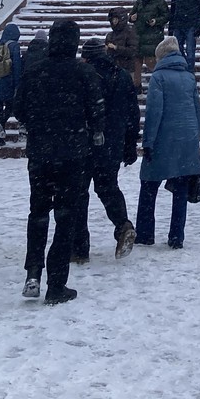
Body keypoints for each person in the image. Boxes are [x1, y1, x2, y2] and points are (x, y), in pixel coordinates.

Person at [13, 19, 104, 305]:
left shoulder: (35, 72)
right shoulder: (83, 72)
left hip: (40, 154)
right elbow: (97, 111)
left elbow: (20, 109)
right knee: (65, 216)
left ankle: (33, 272)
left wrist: (42, 125)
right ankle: (56, 283)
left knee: (38, 214)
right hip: (72, 154)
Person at [73, 39, 139, 262]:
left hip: (85, 142)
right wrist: (130, 145)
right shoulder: (121, 75)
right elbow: (133, 114)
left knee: (79, 193)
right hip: (112, 143)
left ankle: (80, 248)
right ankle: (123, 225)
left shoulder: (83, 75)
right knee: (108, 188)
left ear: (86, 56)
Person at [137, 37, 200, 248]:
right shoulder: (189, 77)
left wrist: (148, 142)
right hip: (187, 140)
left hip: (163, 139)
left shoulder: (158, 78)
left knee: (149, 184)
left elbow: (154, 112)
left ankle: (145, 233)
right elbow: (197, 111)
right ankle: (176, 237)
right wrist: (195, 137)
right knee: (181, 189)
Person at [130, 0, 169, 86]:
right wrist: (132, 17)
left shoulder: (159, 2)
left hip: (153, 37)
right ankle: (136, 86)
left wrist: (156, 21)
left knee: (151, 62)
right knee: (136, 64)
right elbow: (131, 15)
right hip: (138, 37)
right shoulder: (139, 2)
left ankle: (159, 84)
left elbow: (166, 16)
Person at [105, 8, 139, 87]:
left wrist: (117, 48)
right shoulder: (110, 35)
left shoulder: (130, 32)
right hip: (113, 68)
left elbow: (133, 51)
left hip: (127, 68)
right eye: (112, 20)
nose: (114, 22)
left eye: (116, 19)